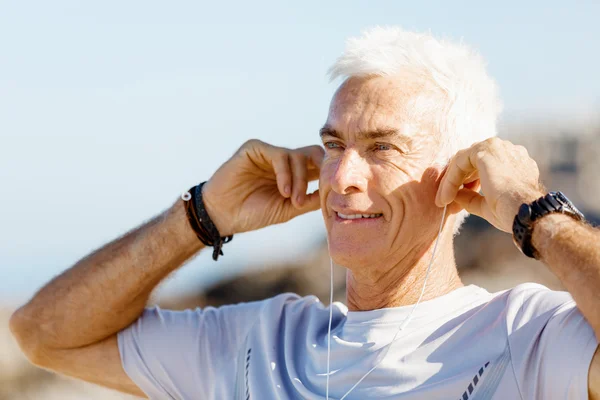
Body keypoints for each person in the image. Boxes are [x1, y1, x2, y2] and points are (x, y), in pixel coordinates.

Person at [9, 27, 600, 400]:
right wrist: (202, 216)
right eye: (335, 144)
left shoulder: (530, 338)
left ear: (463, 179)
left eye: (382, 148)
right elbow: (44, 334)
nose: (340, 176)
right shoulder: (254, 344)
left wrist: (536, 211)